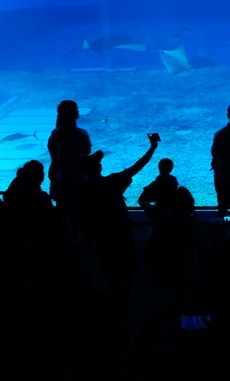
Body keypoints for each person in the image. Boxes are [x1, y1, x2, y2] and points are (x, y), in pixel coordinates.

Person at [81, 133, 160, 301]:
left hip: (102, 233)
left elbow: (82, 216)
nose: (100, 163)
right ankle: (128, 290)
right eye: (97, 162)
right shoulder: (112, 182)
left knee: (109, 264)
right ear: (97, 167)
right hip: (120, 229)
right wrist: (152, 147)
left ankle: (117, 294)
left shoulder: (84, 191)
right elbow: (137, 166)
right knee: (126, 261)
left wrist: (87, 238)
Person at [47, 100, 92, 236]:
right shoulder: (82, 133)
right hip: (79, 178)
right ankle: (82, 244)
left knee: (63, 214)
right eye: (76, 110)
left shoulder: (56, 133)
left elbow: (54, 155)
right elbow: (87, 151)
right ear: (74, 113)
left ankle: (64, 242)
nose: (78, 112)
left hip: (62, 178)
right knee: (80, 214)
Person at [138, 158, 180, 226]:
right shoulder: (172, 180)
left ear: (159, 167)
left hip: (159, 209)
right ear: (171, 168)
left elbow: (142, 200)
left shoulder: (157, 181)